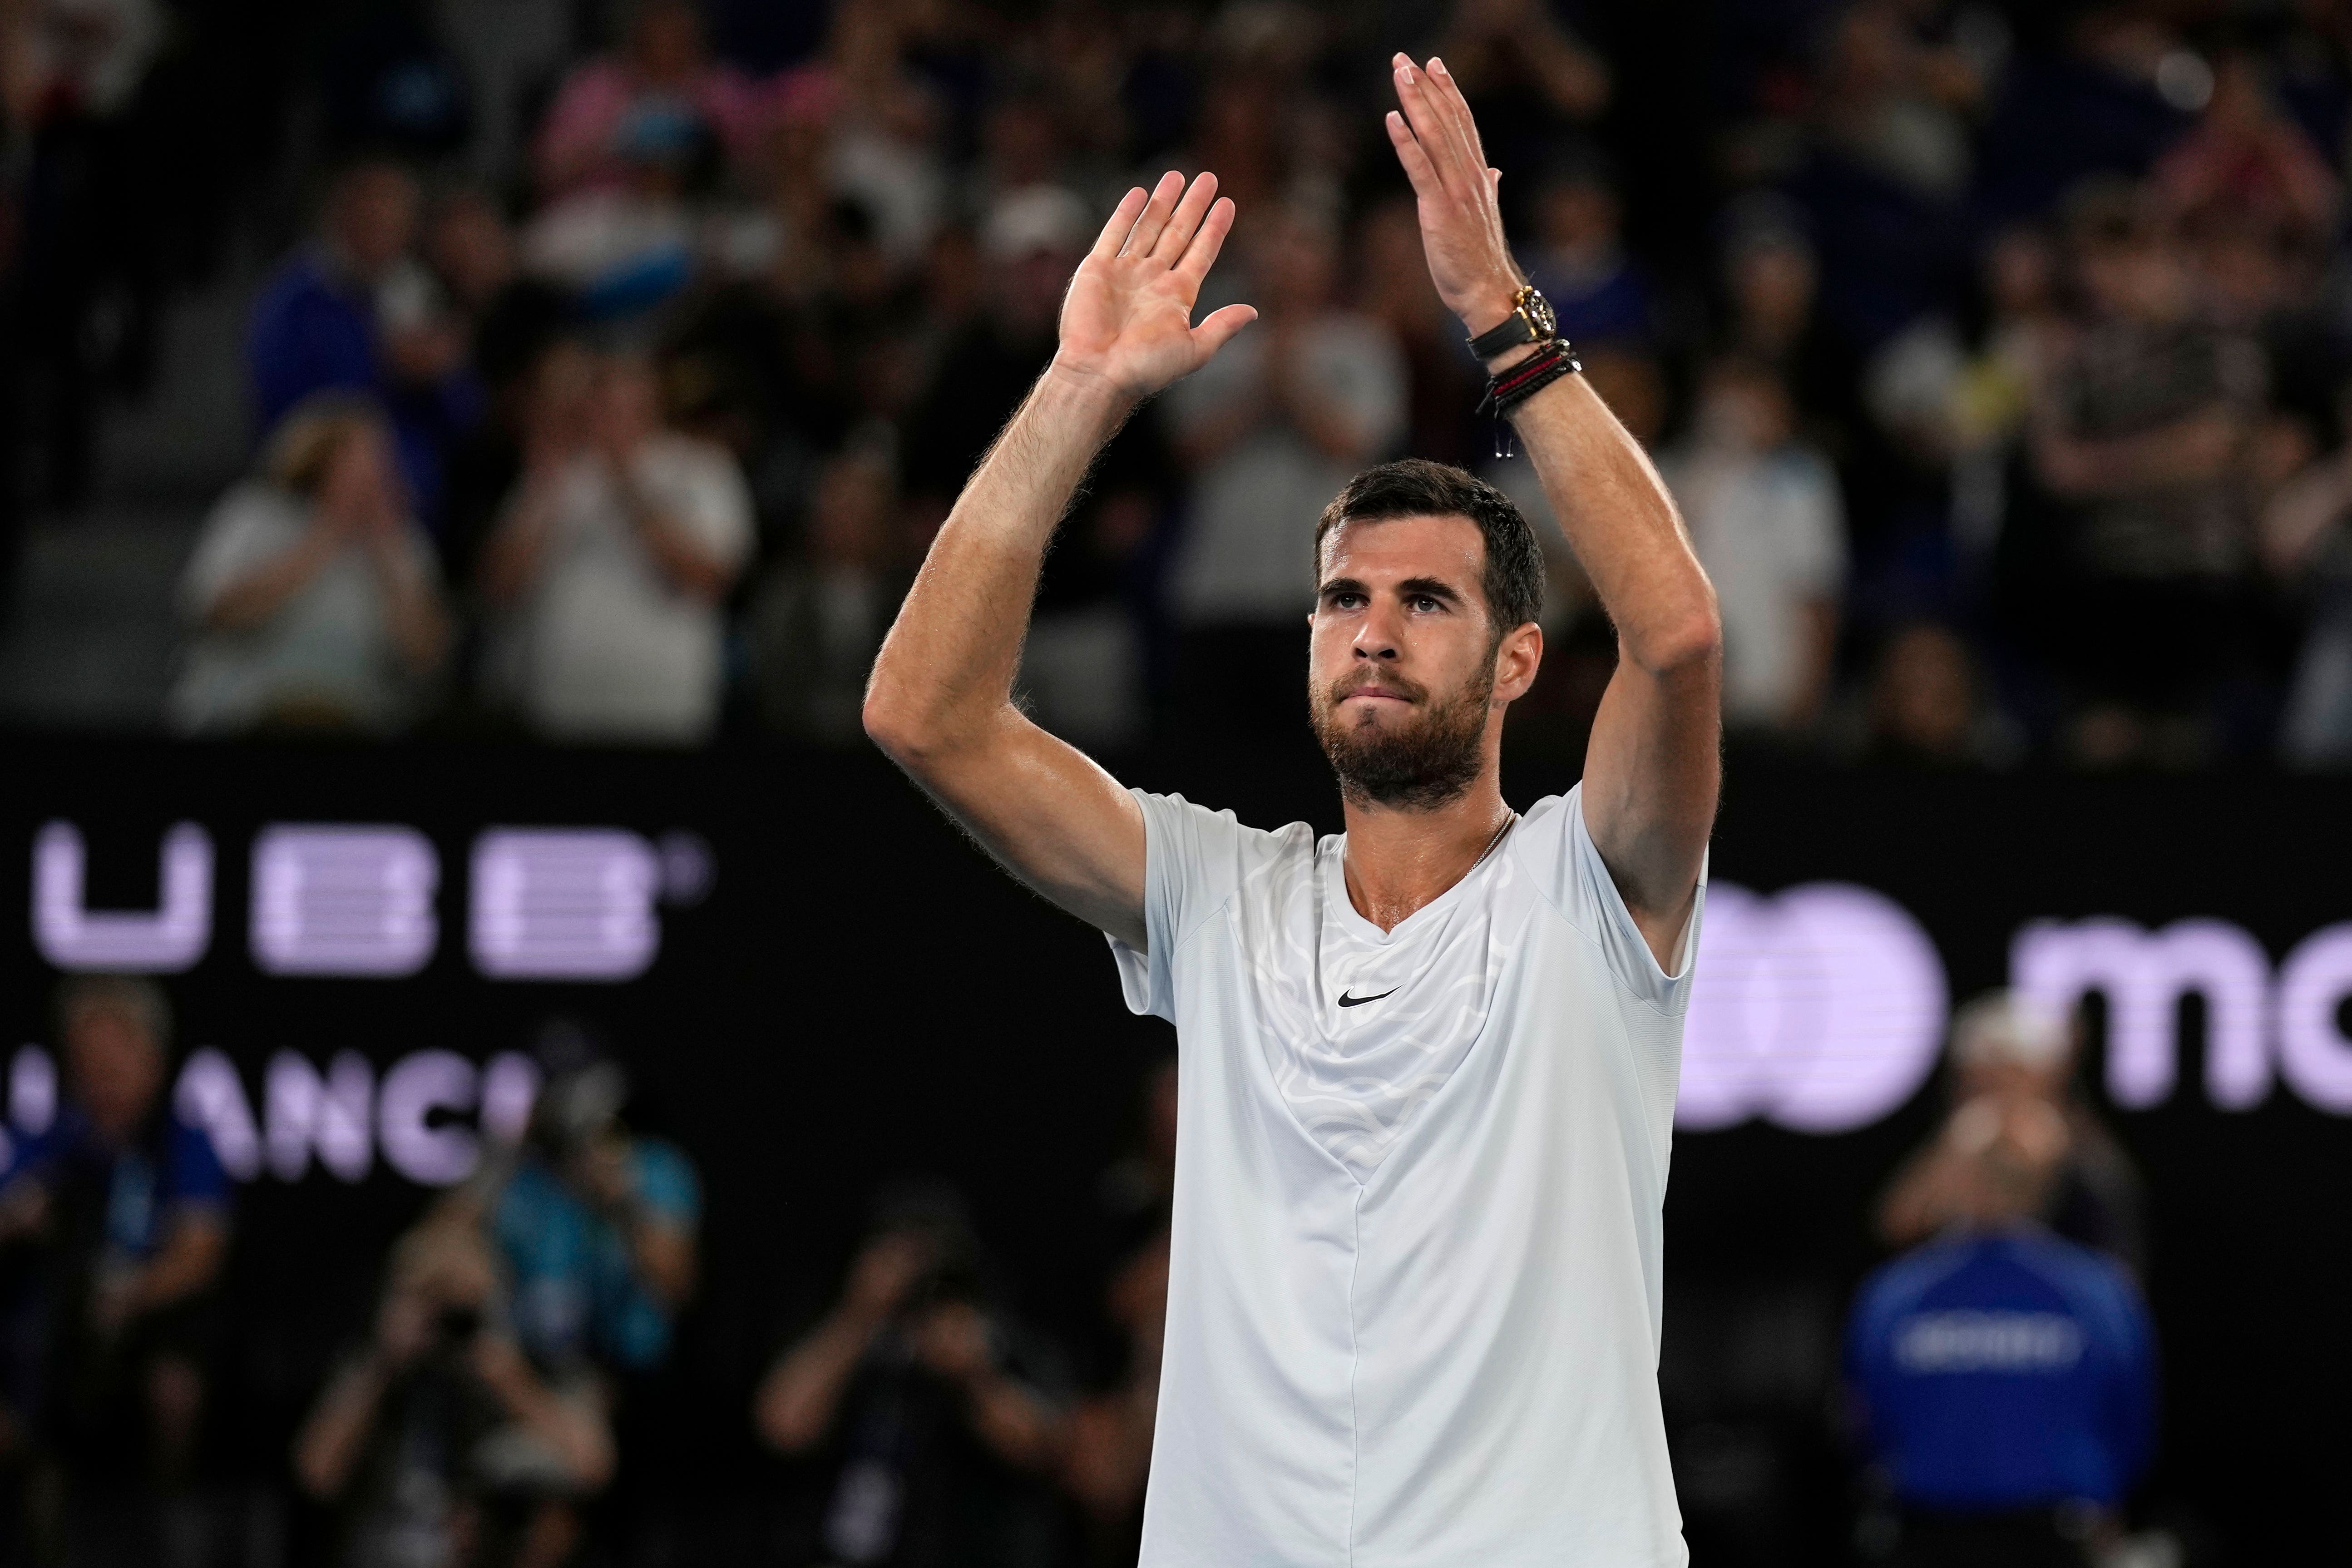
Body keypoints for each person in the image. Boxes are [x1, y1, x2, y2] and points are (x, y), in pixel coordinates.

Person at [861, 53, 1720, 1567]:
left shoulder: (1594, 886)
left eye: (1424, 600)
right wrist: (1077, 393)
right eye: (1343, 598)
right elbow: (923, 717)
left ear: (1522, 658)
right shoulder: (1218, 892)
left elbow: (1678, 634)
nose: (1373, 628)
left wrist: (1499, 317)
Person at [1847, 1094, 2157, 1566]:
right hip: (2039, 1536)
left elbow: (1864, 1423)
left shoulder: (1894, 1293)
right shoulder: (2097, 1292)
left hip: (1938, 1536)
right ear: (2047, 1184)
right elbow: (2130, 1425)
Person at [0, 977, 230, 1563]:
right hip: (44, 1349)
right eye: (86, 1063)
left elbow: (201, 1248)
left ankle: (166, 1522)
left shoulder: (181, 1142)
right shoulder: (53, 1144)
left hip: (141, 1343)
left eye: (113, 1061)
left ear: (152, 1059)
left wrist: (129, 1295)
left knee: (173, 1382)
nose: (99, 1078)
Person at [754, 1187, 1068, 1568]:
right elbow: (781, 1425)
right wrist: (860, 1315)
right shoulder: (838, 1329)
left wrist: (973, 1375)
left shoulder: (991, 1339)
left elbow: (1045, 1449)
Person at [294, 1215, 616, 1568]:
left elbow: (594, 1468)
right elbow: (315, 1473)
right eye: (433, 1299)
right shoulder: (375, 1368)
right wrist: (385, 1362)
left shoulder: (528, 1365)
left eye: (462, 1304)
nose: (447, 1320)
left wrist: (506, 1377)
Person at [477, 352, 753, 744]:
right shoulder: (555, 472)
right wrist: (544, 490)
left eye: (627, 406)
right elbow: (499, 588)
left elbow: (707, 579)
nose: (610, 418)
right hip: (560, 714)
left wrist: (625, 484)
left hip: (664, 717)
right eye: (601, 404)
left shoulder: (702, 469)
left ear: (654, 405)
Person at [168, 396, 451, 735]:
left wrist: (388, 556)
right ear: (320, 461)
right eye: (358, 461)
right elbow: (217, 612)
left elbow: (427, 660)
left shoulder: (404, 542)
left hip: (356, 721)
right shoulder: (255, 515)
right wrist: (326, 538)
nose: (373, 474)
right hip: (248, 715)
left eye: (382, 462)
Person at [245, 158, 484, 531]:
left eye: (395, 223)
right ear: (341, 218)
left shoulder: (418, 294)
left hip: (412, 503)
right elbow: (287, 416)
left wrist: (441, 375)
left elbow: (465, 417)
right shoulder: (294, 302)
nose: (383, 235)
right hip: (317, 494)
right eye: (372, 221)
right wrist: (385, 366)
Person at [1878, 992, 2146, 1277]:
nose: (1982, 1087)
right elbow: (1897, 1227)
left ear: (2043, 1074)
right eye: (1971, 1075)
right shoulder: (1964, 1137)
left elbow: (2116, 1259)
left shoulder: (2086, 1154)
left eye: (1999, 1073)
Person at [1662, 355, 1846, 737]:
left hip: (1774, 693)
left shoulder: (1802, 482)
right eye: (1728, 394)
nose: (1737, 411)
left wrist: (1810, 693)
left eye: (1754, 395)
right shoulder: (1669, 472)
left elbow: (1817, 594)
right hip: (1688, 702)